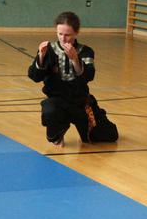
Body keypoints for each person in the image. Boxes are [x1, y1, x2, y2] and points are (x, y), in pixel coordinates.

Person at [27, 11, 118, 147]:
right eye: (60, 34)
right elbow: (35, 76)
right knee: (50, 113)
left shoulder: (85, 51)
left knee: (110, 135)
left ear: (76, 33)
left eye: (67, 35)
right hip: (57, 102)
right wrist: (41, 56)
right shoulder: (49, 50)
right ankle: (59, 131)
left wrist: (75, 59)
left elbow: (89, 76)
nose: (63, 39)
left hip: (80, 103)